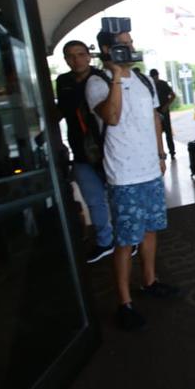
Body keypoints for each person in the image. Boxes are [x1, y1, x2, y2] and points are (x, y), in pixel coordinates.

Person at [87, 30, 179, 331]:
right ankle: (124, 302)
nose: (130, 47)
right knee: (126, 240)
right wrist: (115, 75)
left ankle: (150, 281)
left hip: (150, 170)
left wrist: (161, 154)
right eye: (122, 44)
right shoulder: (97, 82)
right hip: (123, 174)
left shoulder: (143, 80)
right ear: (106, 48)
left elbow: (154, 118)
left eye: (130, 43)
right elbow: (111, 117)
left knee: (151, 229)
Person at [55, 40, 115, 263]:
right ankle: (104, 242)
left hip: (107, 150)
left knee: (116, 197)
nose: (76, 59)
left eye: (80, 54)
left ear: (89, 56)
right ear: (65, 59)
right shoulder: (62, 82)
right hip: (80, 151)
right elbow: (61, 111)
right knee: (94, 200)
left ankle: (128, 239)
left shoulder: (102, 78)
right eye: (70, 56)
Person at [148, 68, 177, 159]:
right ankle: (159, 153)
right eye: (153, 77)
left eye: (156, 77)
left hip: (164, 111)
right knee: (156, 133)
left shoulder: (163, 84)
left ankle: (172, 152)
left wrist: (166, 106)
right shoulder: (149, 86)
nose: (155, 79)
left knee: (168, 132)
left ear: (158, 76)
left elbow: (173, 95)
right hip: (155, 112)